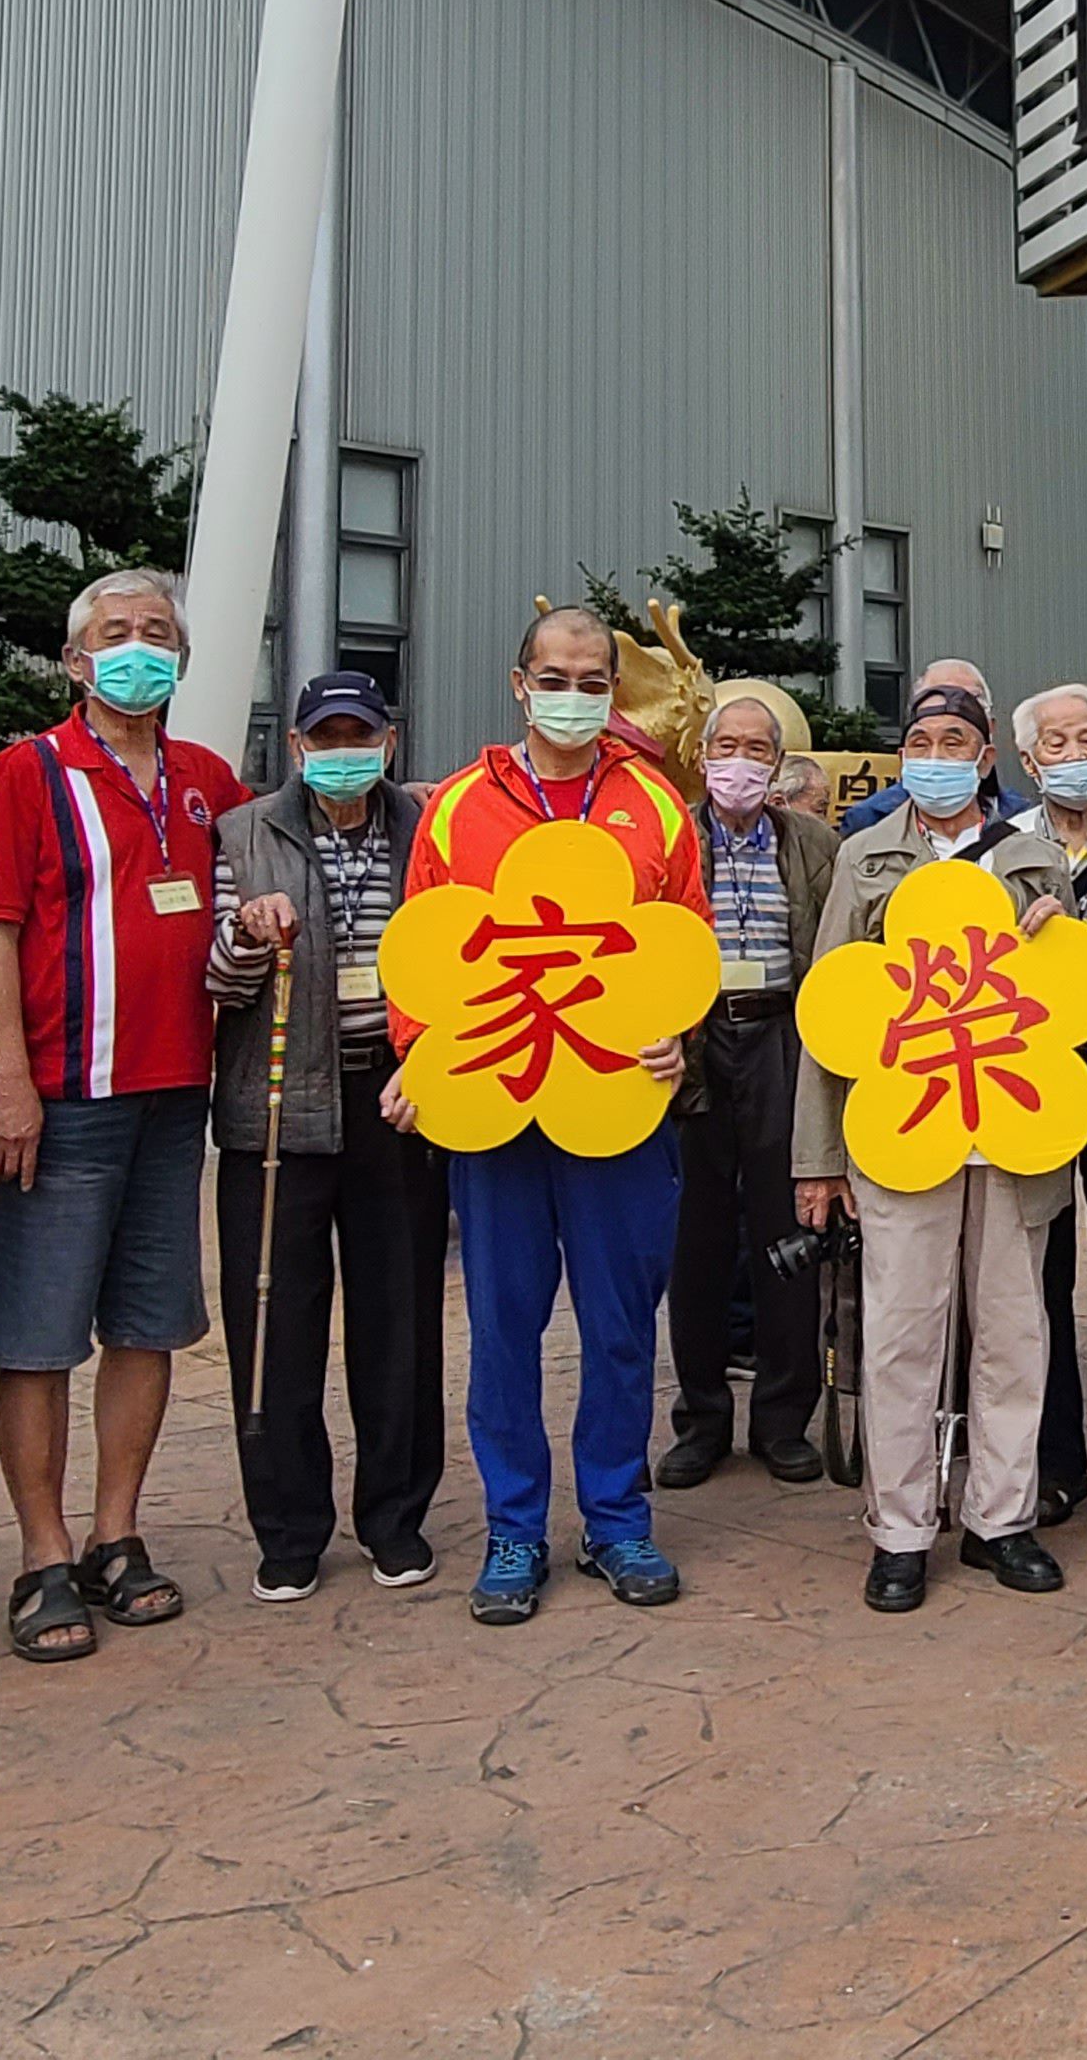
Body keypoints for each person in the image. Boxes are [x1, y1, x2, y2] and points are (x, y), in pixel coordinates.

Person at [0, 570, 246, 1662]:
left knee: (147, 1325)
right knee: (35, 1338)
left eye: (158, 633)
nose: (139, 648)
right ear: (77, 662)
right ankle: (42, 1551)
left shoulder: (206, 780)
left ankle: (117, 1535)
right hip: (62, 1099)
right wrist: (7, 1086)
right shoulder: (26, 773)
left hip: (174, 1102)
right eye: (116, 634)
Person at [407, 605, 700, 1624]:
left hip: (619, 1104)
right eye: (555, 675)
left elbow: (684, 950)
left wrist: (677, 1035)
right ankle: (515, 1527)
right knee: (503, 1325)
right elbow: (423, 950)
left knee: (620, 1323)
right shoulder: (456, 808)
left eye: (592, 679)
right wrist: (421, 1058)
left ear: (614, 693)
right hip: (496, 1105)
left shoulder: (655, 809)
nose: (573, 694)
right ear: (519, 682)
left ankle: (618, 1520)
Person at [799, 680, 1080, 1608]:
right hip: (900, 1134)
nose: (938, 754)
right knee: (900, 1336)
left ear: (987, 754)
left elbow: (1070, 999)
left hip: (1011, 1131)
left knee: (1012, 1334)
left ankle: (1003, 1519)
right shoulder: (864, 858)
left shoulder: (1038, 858)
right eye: (922, 739)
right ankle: (902, 1527)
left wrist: (1057, 933)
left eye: (955, 740)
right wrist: (817, 1159)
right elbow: (828, 1015)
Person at [202, 670, 448, 1598]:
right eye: (325, 738)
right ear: (298, 748)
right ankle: (289, 1529)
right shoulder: (243, 833)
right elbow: (218, 988)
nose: (342, 753)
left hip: (400, 1105)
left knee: (401, 1318)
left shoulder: (424, 827)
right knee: (275, 1322)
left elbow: (462, 963)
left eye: (361, 736)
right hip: (277, 1109)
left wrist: (425, 1074)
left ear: (388, 742)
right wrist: (245, 934)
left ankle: (395, 1516)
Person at [657, 679, 835, 1496]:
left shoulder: (810, 845)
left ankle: (782, 1419)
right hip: (691, 1045)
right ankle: (700, 1420)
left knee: (785, 1232)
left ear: (778, 763)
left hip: (781, 1037)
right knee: (694, 1240)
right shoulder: (671, 840)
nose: (739, 764)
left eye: (756, 750)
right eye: (725, 749)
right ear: (701, 759)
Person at [1013, 677, 1087, 1523]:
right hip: (1032, 1074)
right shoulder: (1000, 848)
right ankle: (1052, 1467)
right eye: (1056, 743)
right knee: (1037, 1276)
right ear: (1026, 761)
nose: (1075, 754)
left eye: (1086, 737)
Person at [839, 657, 1001, 833]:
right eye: (934, 697)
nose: (936, 756)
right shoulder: (869, 821)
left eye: (967, 702)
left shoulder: (1020, 819)